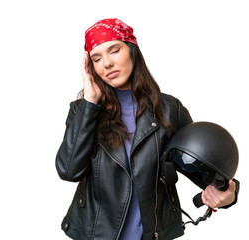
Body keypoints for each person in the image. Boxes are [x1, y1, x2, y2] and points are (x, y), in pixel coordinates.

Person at [55, 18, 239, 240]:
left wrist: (227, 194)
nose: (107, 63)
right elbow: (68, 171)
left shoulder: (170, 110)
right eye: (97, 58)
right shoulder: (83, 111)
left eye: (114, 50)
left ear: (132, 51)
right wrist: (90, 103)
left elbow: (206, 168)